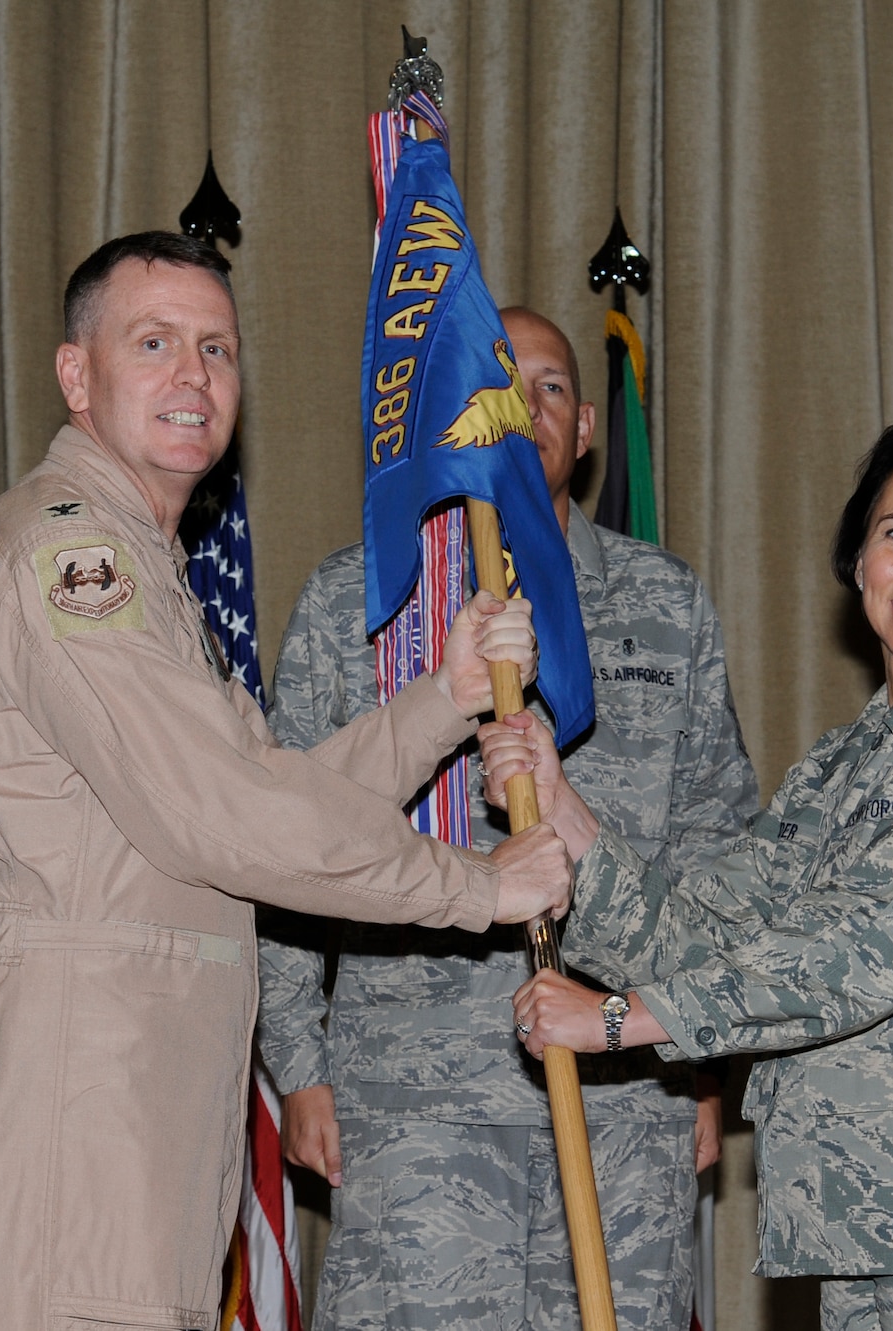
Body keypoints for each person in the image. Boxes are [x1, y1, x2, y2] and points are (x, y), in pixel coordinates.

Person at [0, 232, 573, 1331]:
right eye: (154, 342)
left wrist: (441, 702)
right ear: (77, 376)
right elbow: (220, 816)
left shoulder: (142, 562)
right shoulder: (73, 558)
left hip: (136, 1076)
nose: (193, 376)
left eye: (216, 348)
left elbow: (249, 788)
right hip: (85, 1077)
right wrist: (475, 886)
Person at [489, 419, 893, 1330]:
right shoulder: (842, 766)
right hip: (868, 1231)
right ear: (859, 560)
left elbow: (864, 946)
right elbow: (708, 929)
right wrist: (570, 817)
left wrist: (620, 1021)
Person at [259, 306, 760, 1329]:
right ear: (451, 415)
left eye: (551, 388)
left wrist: (704, 1060)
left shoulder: (665, 605)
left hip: (626, 1098)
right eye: (498, 383)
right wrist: (298, 1068)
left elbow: (718, 853)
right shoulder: (358, 597)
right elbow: (278, 844)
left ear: (583, 430)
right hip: (414, 1103)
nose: (523, 407)